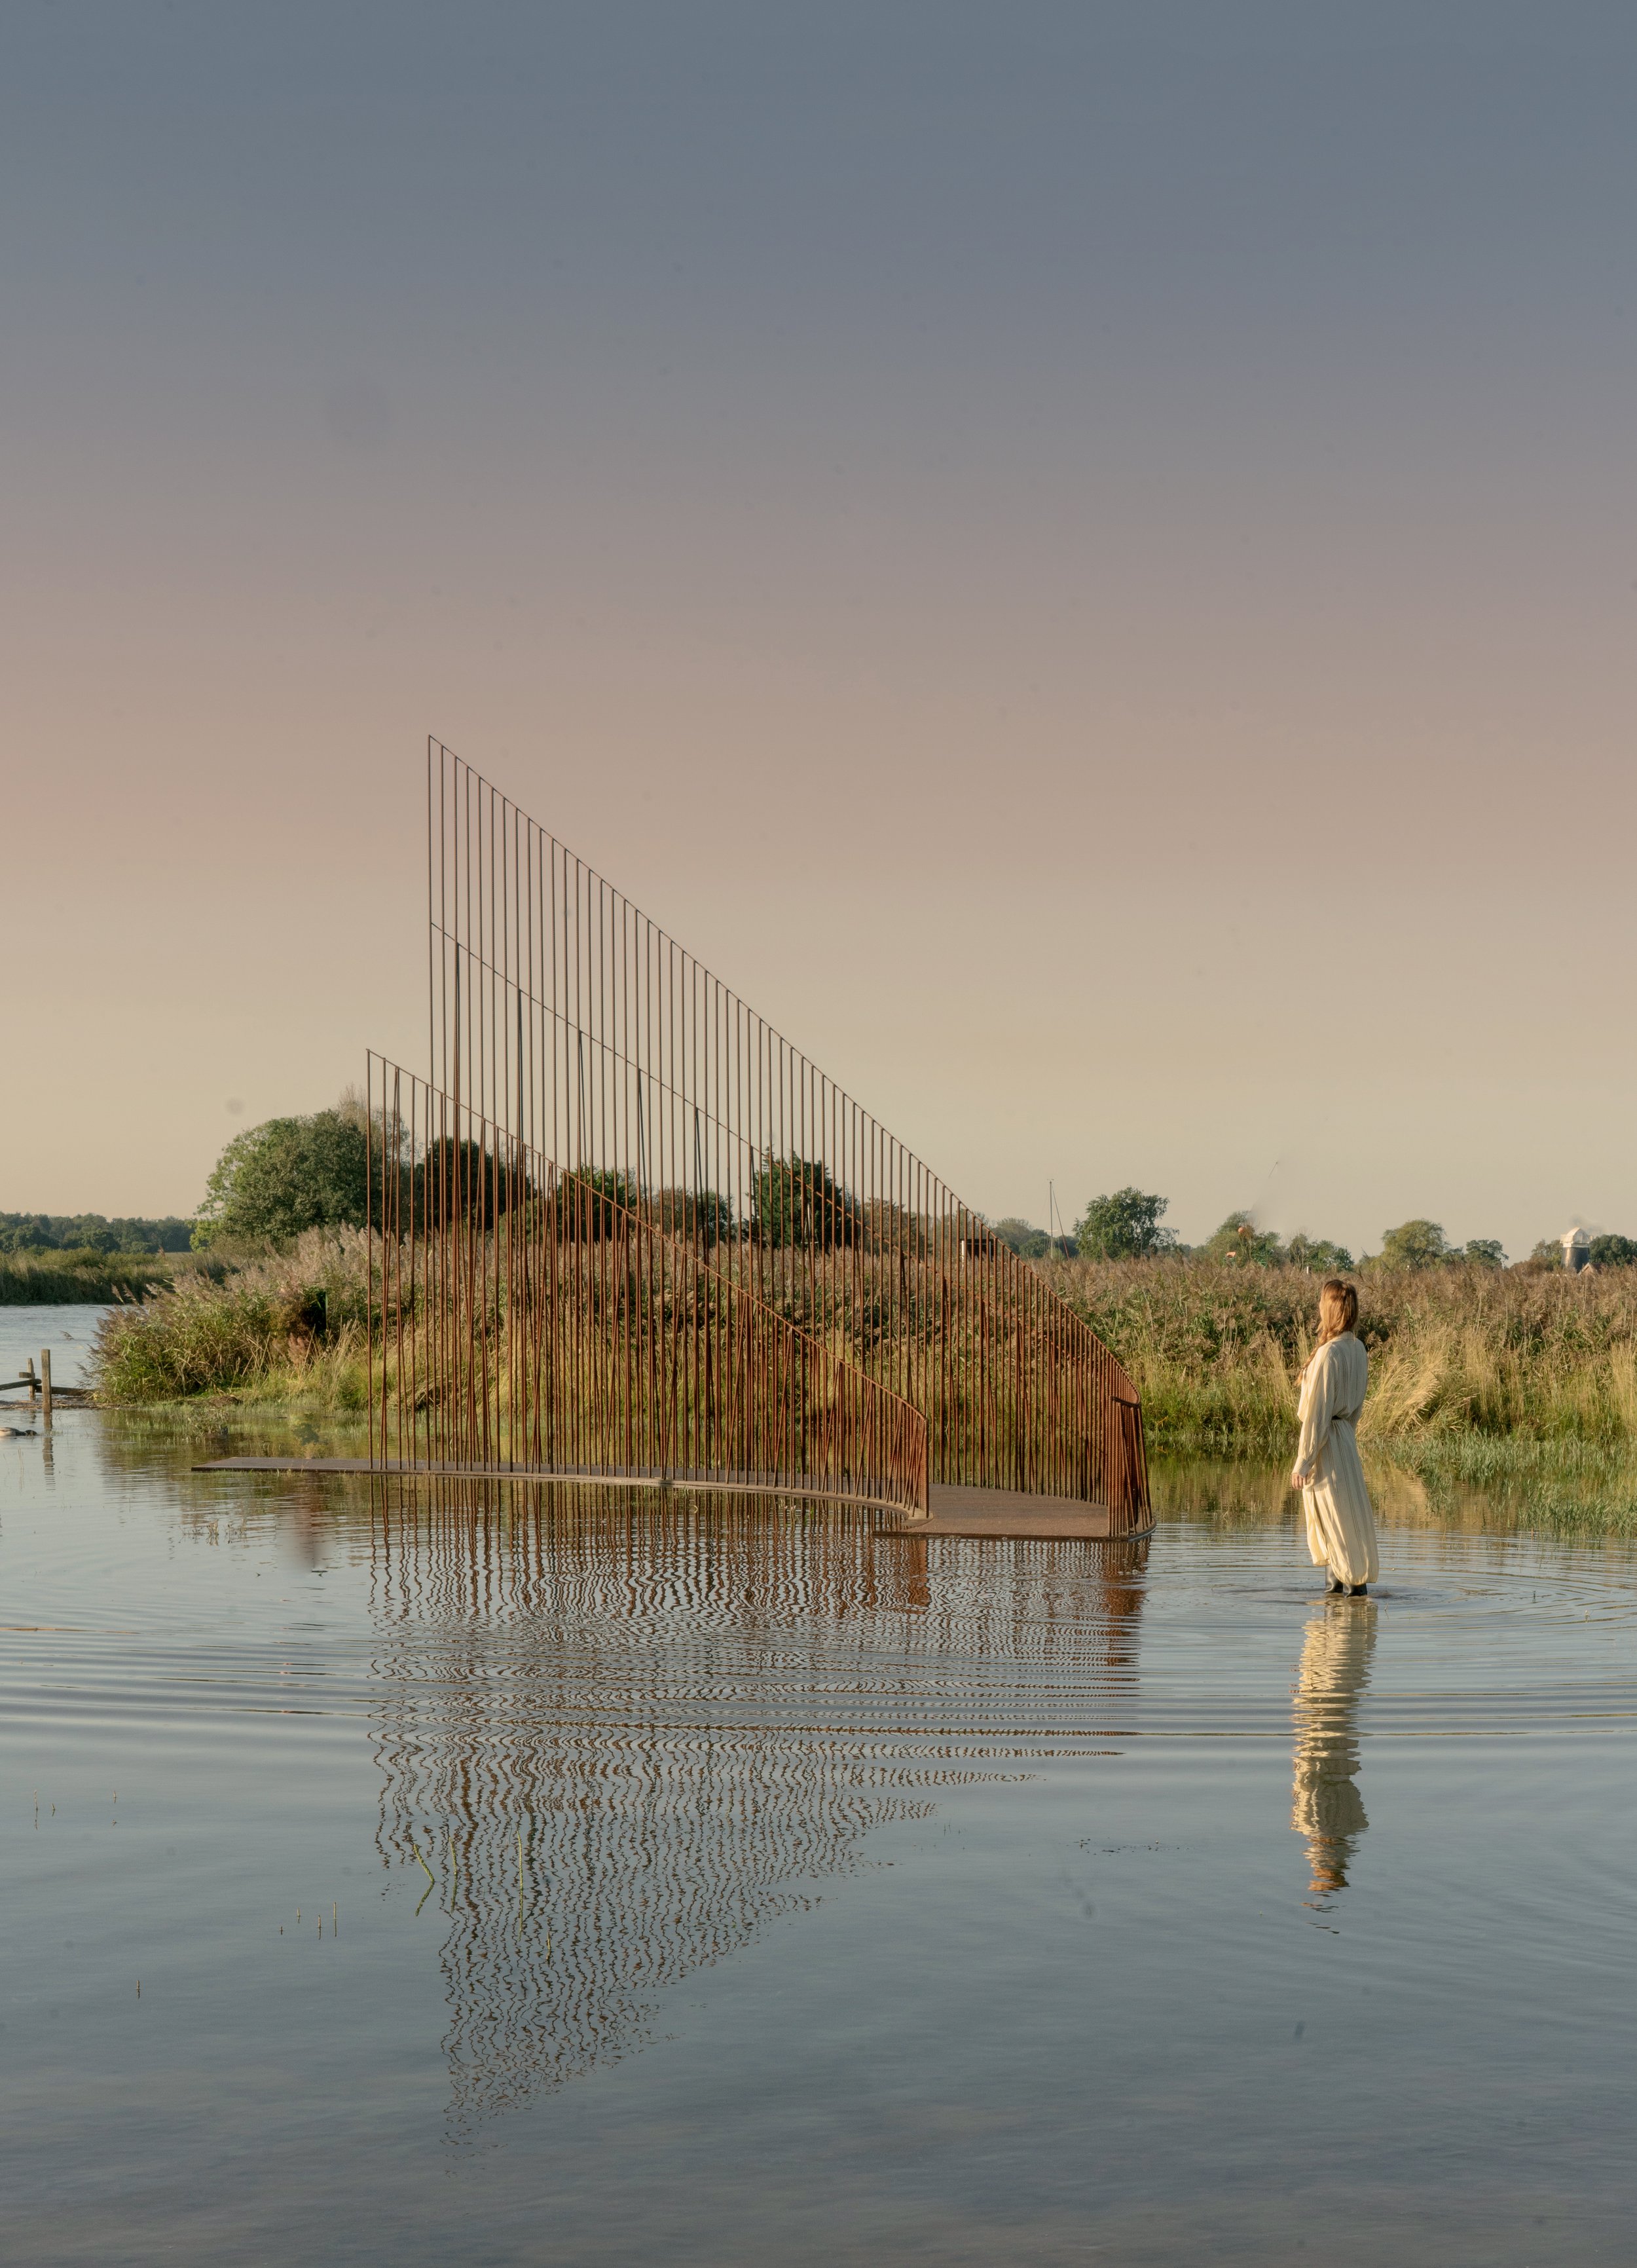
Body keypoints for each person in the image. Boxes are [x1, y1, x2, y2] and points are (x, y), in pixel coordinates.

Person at [1291, 1277, 1378, 1595]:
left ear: (1329, 1309)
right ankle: (1351, 1621)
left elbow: (1317, 1414)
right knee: (1345, 1527)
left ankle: (1336, 1618)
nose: (1317, 1307)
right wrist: (1346, 1438)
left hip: (1327, 1445)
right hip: (1346, 1442)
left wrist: (1303, 1462)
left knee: (1333, 1527)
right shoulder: (1358, 1348)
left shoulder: (1330, 1353)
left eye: (1320, 1303)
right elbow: (1355, 1409)